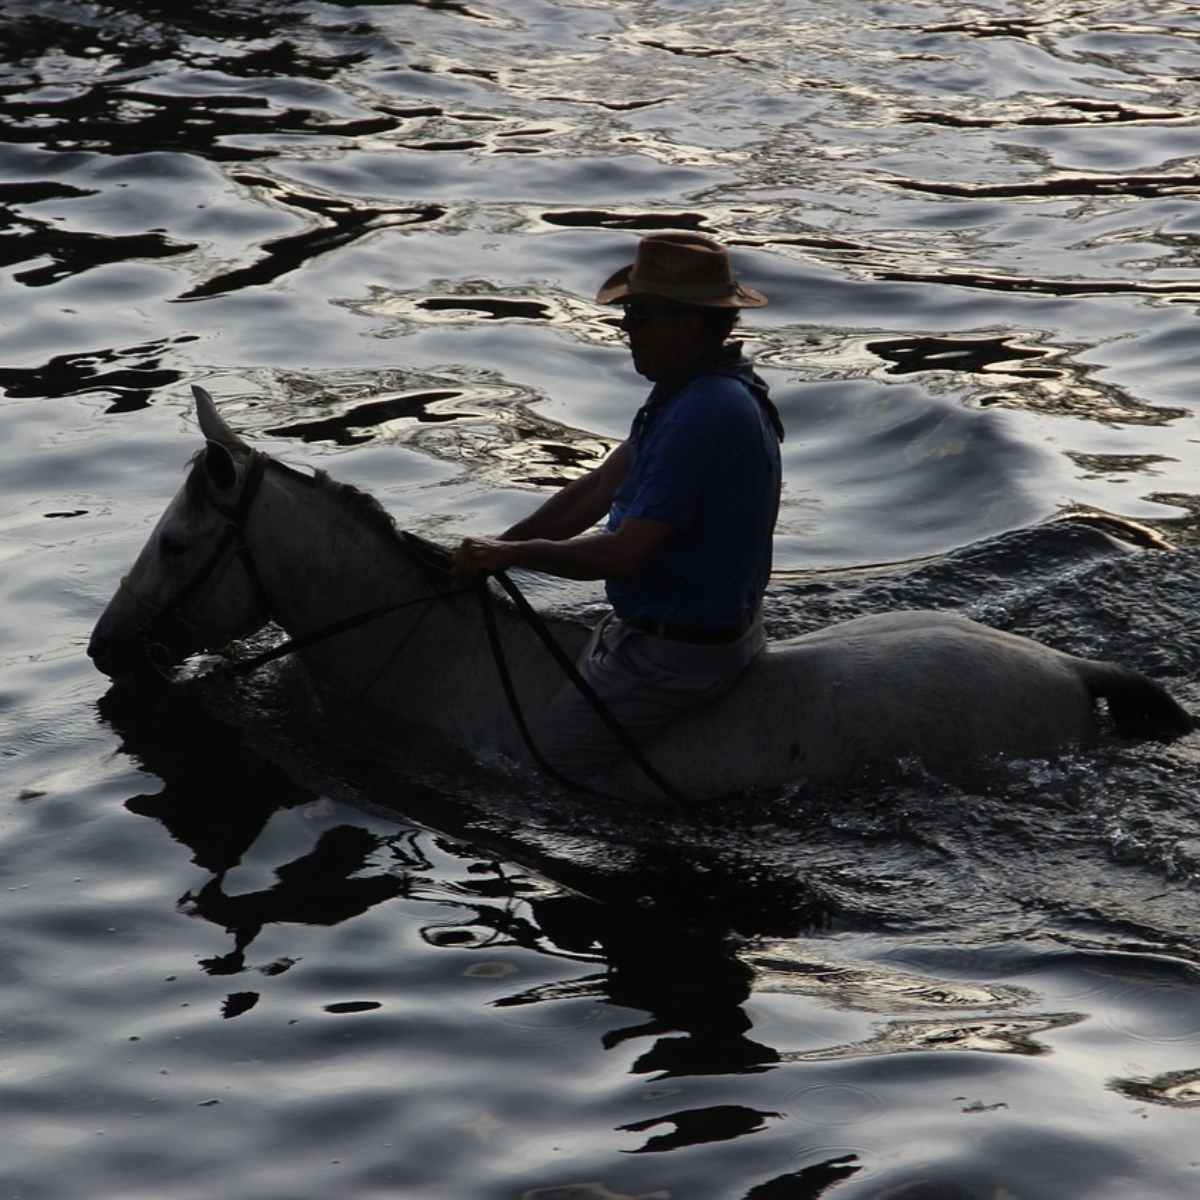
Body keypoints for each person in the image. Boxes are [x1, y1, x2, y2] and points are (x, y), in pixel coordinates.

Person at [452, 231, 784, 798]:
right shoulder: (699, 390)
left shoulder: (697, 417)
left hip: (678, 654)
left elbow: (626, 554)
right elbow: (598, 489)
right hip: (704, 626)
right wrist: (494, 551)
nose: (624, 330)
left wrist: (511, 555)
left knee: (541, 770)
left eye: (637, 315)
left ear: (688, 326)